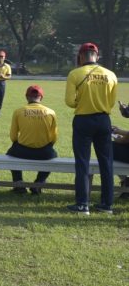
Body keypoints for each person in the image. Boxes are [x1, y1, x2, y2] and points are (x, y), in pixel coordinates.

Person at [65, 42, 118, 215]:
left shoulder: (75, 74)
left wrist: (82, 102)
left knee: (82, 162)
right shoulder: (111, 75)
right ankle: (107, 205)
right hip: (104, 120)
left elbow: (70, 102)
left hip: (83, 120)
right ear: (97, 56)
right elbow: (111, 102)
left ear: (80, 56)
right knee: (106, 163)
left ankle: (82, 204)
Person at [6, 85, 58, 194]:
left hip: (22, 151)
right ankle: (38, 183)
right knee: (53, 156)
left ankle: (18, 183)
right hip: (44, 152)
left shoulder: (18, 111)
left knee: (10, 153)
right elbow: (54, 137)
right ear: (41, 97)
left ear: (26, 97)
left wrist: (17, 143)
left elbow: (13, 136)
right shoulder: (51, 112)